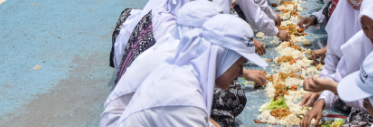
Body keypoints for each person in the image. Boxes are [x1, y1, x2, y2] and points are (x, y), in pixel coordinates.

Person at [114, 14, 267, 127]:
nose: (240, 74)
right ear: (221, 57)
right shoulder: (184, 97)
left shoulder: (185, 69)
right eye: (239, 66)